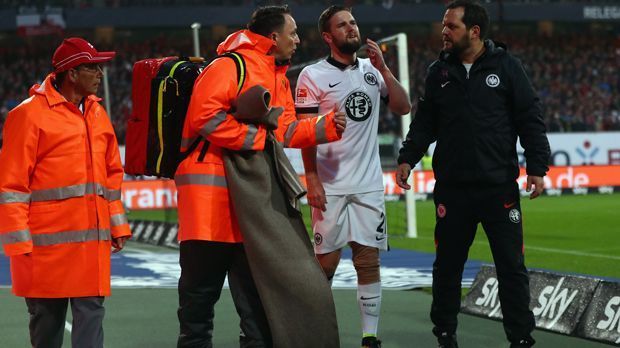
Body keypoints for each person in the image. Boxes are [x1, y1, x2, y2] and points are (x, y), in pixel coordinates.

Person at [175, 5, 346, 347]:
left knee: (256, 311)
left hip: (251, 212)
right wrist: (254, 139)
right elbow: (203, 117)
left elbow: (282, 132)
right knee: (198, 311)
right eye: (293, 33)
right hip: (209, 210)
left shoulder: (276, 76)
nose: (298, 40)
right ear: (273, 36)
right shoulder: (229, 65)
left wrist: (324, 127)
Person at [395, 1, 550, 347]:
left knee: (511, 268)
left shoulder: (508, 67)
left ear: (474, 31)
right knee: (447, 267)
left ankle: (521, 338)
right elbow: (424, 123)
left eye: (451, 26)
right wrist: (408, 157)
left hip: (499, 189)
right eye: (444, 25)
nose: (444, 32)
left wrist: (537, 167)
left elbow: (530, 117)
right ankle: (446, 333)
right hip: (452, 190)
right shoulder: (439, 72)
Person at [0, 37, 131, 348]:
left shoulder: (97, 113)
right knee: (47, 330)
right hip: (46, 250)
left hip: (91, 247)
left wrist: (118, 225)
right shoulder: (28, 115)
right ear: (72, 73)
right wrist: (19, 245)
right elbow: (11, 184)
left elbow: (112, 174)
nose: (101, 75)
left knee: (91, 320)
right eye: (93, 69)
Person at [294, 5, 411, 348]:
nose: (351, 28)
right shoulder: (312, 76)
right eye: (342, 25)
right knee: (326, 265)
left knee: (368, 259)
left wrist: (385, 70)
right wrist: (312, 180)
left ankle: (369, 336)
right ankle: (311, 333)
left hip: (369, 184)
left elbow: (403, 107)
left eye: (353, 22)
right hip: (330, 184)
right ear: (328, 36)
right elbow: (305, 133)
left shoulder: (373, 72)